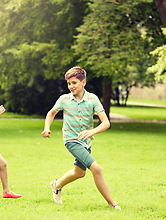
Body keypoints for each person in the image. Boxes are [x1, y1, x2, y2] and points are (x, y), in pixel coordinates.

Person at [41, 66, 121, 210]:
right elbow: (51, 113)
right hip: (71, 140)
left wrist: (91, 132)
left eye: (74, 83)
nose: (71, 86)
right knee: (96, 169)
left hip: (87, 141)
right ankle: (112, 203)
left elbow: (106, 123)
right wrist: (47, 128)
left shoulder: (93, 99)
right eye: (69, 83)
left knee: (80, 173)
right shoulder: (64, 99)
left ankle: (57, 185)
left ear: (83, 82)